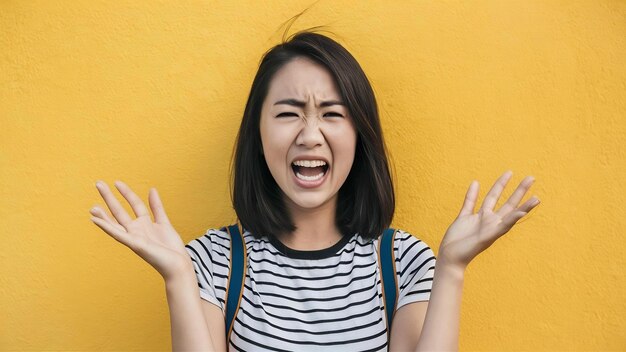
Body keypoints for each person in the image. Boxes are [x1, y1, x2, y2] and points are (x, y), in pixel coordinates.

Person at [89, 31, 540, 351]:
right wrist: (177, 277)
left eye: (332, 113)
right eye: (288, 114)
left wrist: (453, 270)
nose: (309, 135)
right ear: (258, 133)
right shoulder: (214, 262)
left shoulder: (403, 263)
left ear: (360, 133)